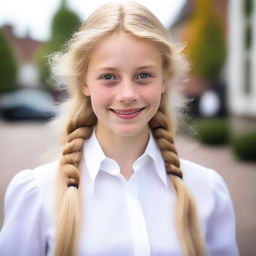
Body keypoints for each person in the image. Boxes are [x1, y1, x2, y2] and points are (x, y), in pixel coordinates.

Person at [0, 2, 239, 256]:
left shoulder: (208, 190)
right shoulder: (37, 193)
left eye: (143, 75)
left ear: (164, 80)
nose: (127, 94)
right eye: (108, 77)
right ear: (84, 83)